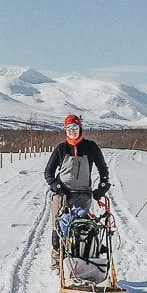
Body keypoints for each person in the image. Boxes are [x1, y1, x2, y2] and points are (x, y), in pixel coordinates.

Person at [44, 114, 110, 269]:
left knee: (82, 228)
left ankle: (81, 263)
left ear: (80, 128)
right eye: (69, 129)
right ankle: (57, 263)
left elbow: (103, 169)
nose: (72, 131)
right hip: (62, 196)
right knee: (58, 228)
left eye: (75, 128)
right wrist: (58, 188)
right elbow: (48, 173)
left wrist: (102, 186)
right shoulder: (61, 149)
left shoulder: (91, 147)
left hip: (83, 195)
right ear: (65, 130)